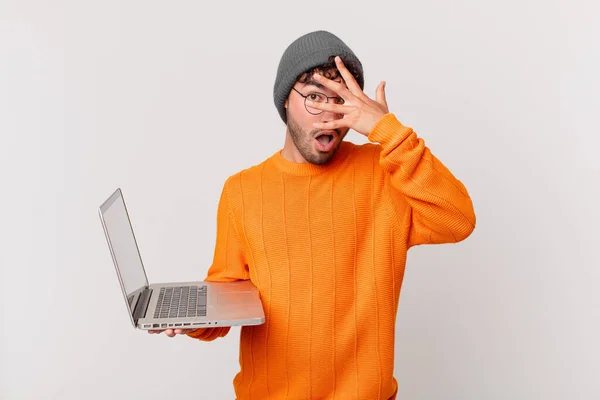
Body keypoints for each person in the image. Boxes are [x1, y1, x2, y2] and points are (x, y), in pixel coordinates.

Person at [149, 30, 476, 400]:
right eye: (314, 97)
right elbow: (229, 296)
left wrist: (389, 132)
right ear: (285, 101)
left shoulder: (385, 172)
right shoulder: (242, 190)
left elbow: (458, 219)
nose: (327, 114)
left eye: (340, 101)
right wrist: (191, 317)